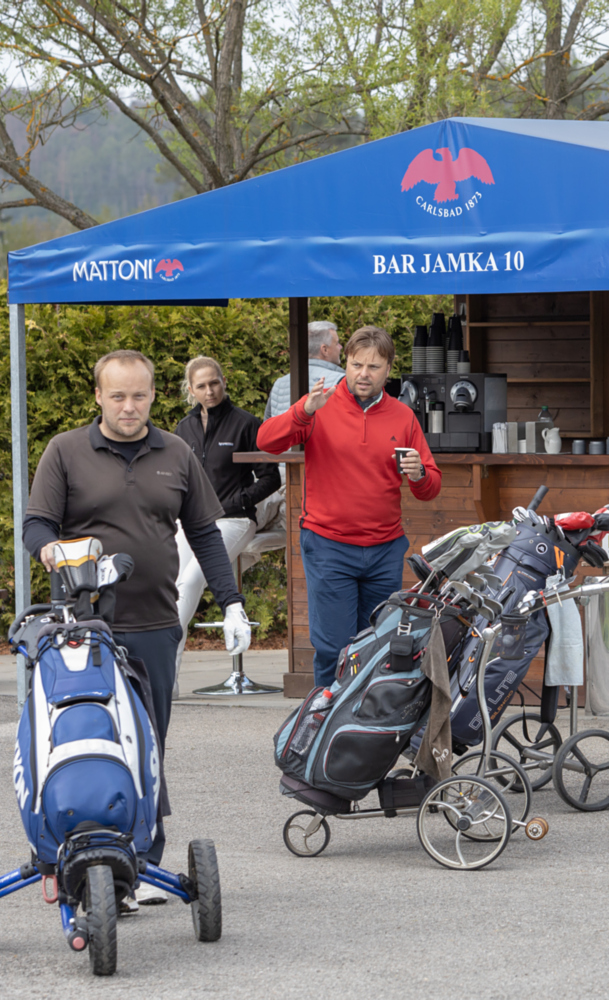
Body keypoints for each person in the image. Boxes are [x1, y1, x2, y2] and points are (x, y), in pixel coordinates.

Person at [23, 349, 251, 905]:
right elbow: (36, 524)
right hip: (81, 628)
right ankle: (71, 855)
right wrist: (51, 550)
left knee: (146, 746)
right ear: (98, 396)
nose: (130, 406)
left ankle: (143, 865)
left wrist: (232, 604)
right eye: (118, 395)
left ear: (154, 395)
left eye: (140, 395)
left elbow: (205, 534)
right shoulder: (65, 451)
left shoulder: (175, 453)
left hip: (155, 623)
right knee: (81, 739)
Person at [257, 326, 441, 688]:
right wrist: (303, 411)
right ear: (346, 363)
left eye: (373, 367)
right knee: (334, 648)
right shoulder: (320, 405)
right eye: (357, 365)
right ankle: (324, 717)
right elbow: (266, 441)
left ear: (388, 369)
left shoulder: (403, 416)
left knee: (378, 646)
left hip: (385, 550)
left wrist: (419, 473)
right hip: (329, 546)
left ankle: (365, 719)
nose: (363, 374)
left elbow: (429, 488)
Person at [171, 356, 281, 683]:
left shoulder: (246, 423)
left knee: (192, 579)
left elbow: (270, 478)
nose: (209, 391)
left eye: (214, 383)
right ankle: (166, 680)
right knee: (172, 587)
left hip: (234, 521)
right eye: (201, 386)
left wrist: (235, 502)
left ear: (224, 382)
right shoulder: (184, 428)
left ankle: (163, 669)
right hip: (192, 521)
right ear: (191, 390)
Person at [265, 320, 343, 420]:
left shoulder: (279, 384)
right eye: (337, 343)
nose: (340, 347)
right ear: (324, 350)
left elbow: (268, 426)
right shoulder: (342, 380)